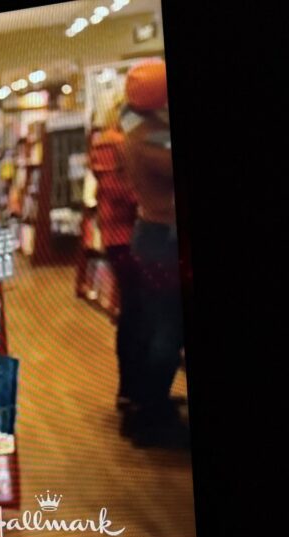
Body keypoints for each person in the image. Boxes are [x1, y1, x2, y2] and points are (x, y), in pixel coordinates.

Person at [119, 59, 187, 447]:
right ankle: (151, 415)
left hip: (152, 235)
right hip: (163, 239)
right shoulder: (154, 139)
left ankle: (148, 406)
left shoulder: (136, 126)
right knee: (166, 330)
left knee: (155, 326)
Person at [87, 89, 139, 411]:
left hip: (119, 236)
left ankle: (132, 390)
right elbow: (126, 193)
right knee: (136, 314)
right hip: (127, 237)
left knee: (134, 314)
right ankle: (132, 392)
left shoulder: (109, 143)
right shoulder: (114, 144)